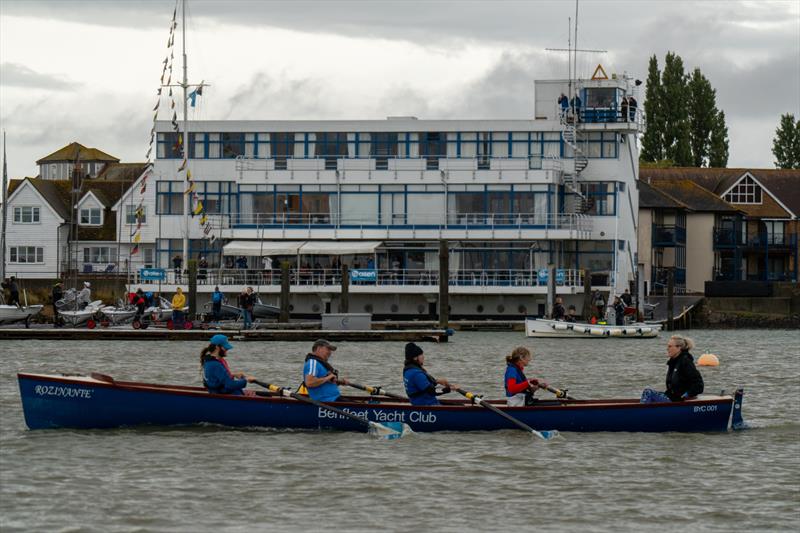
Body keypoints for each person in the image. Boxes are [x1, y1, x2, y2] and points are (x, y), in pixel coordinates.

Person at [641, 335, 704, 403]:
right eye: (667, 346)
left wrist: (687, 394)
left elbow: (699, 385)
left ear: (679, 348)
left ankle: (641, 412)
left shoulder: (686, 362)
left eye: (670, 346)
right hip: (670, 397)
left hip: (678, 400)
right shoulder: (673, 362)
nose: (667, 349)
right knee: (647, 392)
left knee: (648, 392)